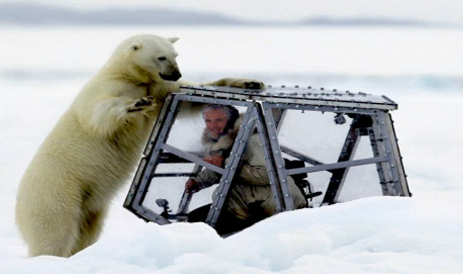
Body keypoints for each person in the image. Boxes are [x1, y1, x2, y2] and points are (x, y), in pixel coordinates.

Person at [185, 104, 307, 232]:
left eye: (219, 120)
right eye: (208, 121)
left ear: (232, 121)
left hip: (273, 205)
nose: (213, 126)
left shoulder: (253, 140)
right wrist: (199, 181)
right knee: (196, 219)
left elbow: (268, 175)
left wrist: (226, 165)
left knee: (201, 225)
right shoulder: (226, 140)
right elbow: (224, 165)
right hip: (246, 202)